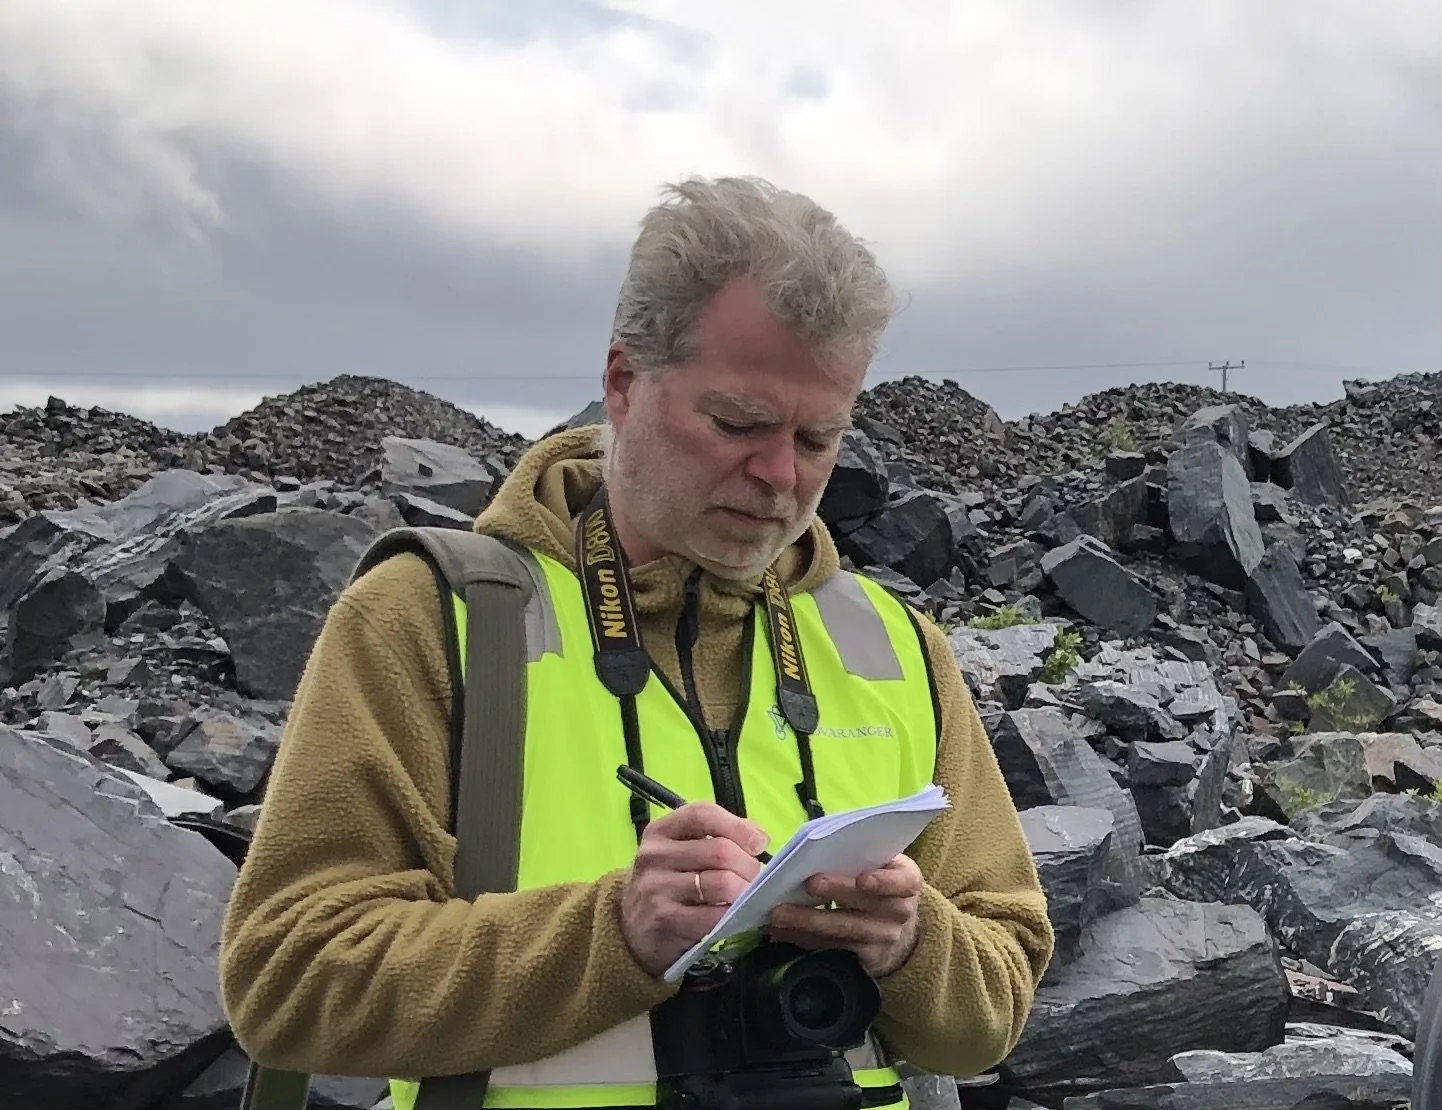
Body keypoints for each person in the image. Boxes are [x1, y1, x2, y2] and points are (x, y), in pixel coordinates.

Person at [218, 175, 1054, 1109]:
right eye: (737, 423)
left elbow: (990, 1019)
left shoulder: (895, 648)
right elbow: (287, 981)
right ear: (622, 380)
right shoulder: (435, 621)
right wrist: (610, 933)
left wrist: (910, 941)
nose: (779, 476)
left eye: (819, 437)